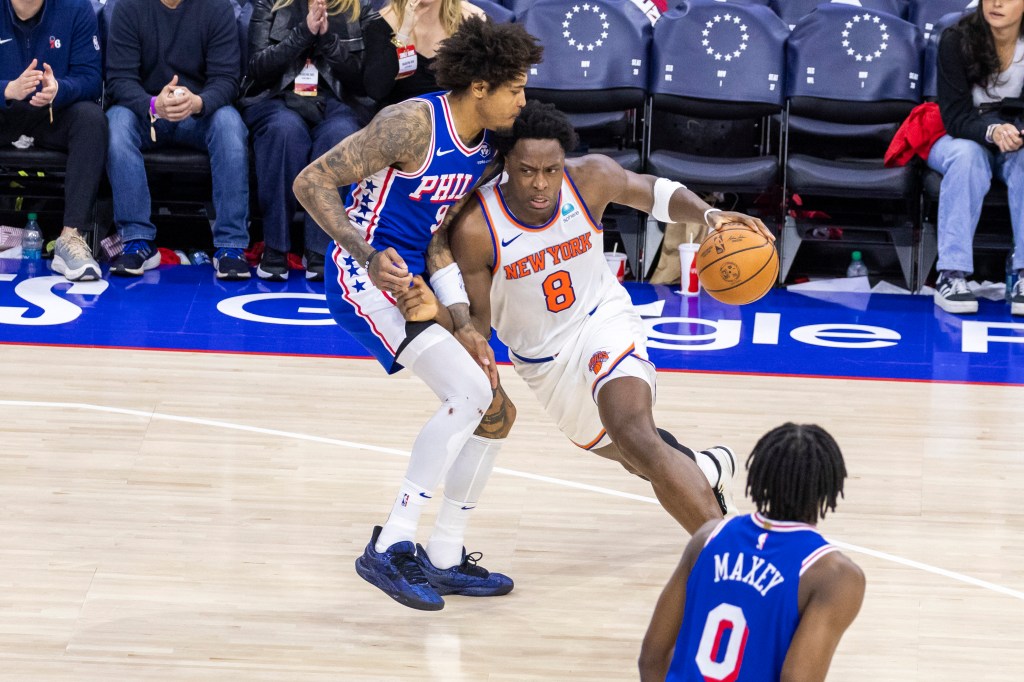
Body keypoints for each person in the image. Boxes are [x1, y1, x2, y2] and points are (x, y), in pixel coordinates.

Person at [400, 101, 773, 533]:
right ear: (506, 165)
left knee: (633, 431)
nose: (541, 184)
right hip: (543, 362)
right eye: (527, 171)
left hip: (602, 321)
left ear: (564, 162)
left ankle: (724, 550)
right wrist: (440, 316)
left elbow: (652, 192)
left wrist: (709, 216)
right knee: (637, 456)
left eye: (551, 170)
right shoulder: (477, 228)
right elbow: (479, 326)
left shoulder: (588, 178)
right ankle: (704, 469)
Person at [292, 16, 543, 611]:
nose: (524, 100)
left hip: (418, 279)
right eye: (516, 88)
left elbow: (434, 237)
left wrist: (461, 319)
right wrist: (366, 252)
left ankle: (446, 555)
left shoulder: (485, 148)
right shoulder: (410, 124)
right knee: (468, 394)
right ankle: (393, 544)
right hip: (363, 276)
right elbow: (311, 182)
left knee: (495, 411)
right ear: (480, 86)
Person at [638, 423, 865, 682]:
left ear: (760, 478)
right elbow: (796, 678)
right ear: (829, 487)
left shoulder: (707, 537)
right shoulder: (833, 574)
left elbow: (652, 658)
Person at [104, 0, 251, 279]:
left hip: (198, 112)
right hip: (147, 112)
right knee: (115, 124)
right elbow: (119, 79)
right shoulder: (128, 7)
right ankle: (137, 240)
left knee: (230, 124)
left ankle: (230, 245)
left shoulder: (216, 7)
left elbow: (227, 79)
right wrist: (152, 105)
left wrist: (199, 102)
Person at [240, 0, 374, 281]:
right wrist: (303, 33)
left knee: (338, 136)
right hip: (277, 98)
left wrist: (327, 40)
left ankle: (319, 248)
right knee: (284, 131)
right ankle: (275, 246)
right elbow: (257, 69)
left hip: (339, 102)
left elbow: (364, 81)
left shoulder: (361, 7)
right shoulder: (270, 4)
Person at [1, 0, 106, 281]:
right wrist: (7, 89)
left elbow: (91, 78)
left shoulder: (76, 8)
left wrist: (60, 87)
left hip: (53, 113)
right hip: (5, 111)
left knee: (92, 119)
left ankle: (71, 238)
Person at [930, 0, 1024, 315]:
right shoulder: (956, 39)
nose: (997, 3)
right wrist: (993, 131)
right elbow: (954, 117)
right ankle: (952, 275)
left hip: (1016, 140)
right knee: (967, 157)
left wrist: (1015, 133)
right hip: (959, 136)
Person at [361, 0, 484, 108]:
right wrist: (403, 34)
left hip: (457, 117)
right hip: (404, 119)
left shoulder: (473, 19)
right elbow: (376, 91)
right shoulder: (381, 23)